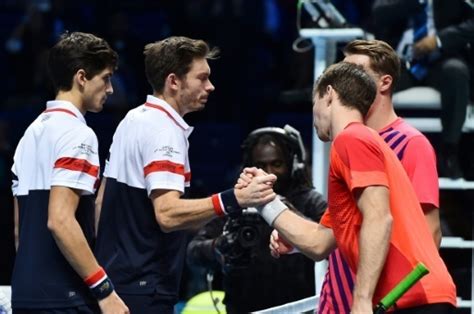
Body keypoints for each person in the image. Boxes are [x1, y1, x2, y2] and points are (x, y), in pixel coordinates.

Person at [244, 62, 457, 312]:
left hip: (415, 299)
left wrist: (361, 298)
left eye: (314, 103)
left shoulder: (351, 138)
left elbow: (379, 218)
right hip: (410, 300)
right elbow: (319, 243)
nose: (313, 115)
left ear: (329, 94)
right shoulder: (361, 145)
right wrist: (265, 201)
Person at [93, 36, 277, 314]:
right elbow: (166, 215)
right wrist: (235, 199)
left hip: (119, 281)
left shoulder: (133, 118)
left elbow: (101, 203)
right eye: (202, 78)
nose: (210, 86)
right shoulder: (164, 131)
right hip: (145, 289)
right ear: (174, 82)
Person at [316, 39, 442, 313]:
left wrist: (387, 302)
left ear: (384, 83)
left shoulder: (411, 144)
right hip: (339, 299)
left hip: (380, 303)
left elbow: (429, 235)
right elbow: (331, 234)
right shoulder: (347, 140)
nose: (344, 80)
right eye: (342, 70)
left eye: (357, 71)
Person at [10, 32, 128, 313]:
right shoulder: (79, 135)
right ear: (82, 77)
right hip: (65, 296)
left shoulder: (29, 134)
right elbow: (60, 220)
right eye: (106, 78)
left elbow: (19, 231)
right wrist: (104, 290)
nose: (110, 89)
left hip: (26, 293)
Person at [186, 124, 327, 313]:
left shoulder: (309, 200)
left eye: (276, 164)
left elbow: (330, 242)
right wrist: (219, 247)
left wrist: (284, 209)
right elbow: (193, 253)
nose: (269, 174)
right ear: (249, 168)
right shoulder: (236, 201)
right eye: (260, 166)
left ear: (291, 164)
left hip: (299, 308)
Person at [372, 0, 474, 179]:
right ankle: (372, 151)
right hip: (402, 61)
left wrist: (439, 40)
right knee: (370, 81)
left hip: (443, 58)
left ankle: (449, 151)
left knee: (456, 72)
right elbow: (377, 12)